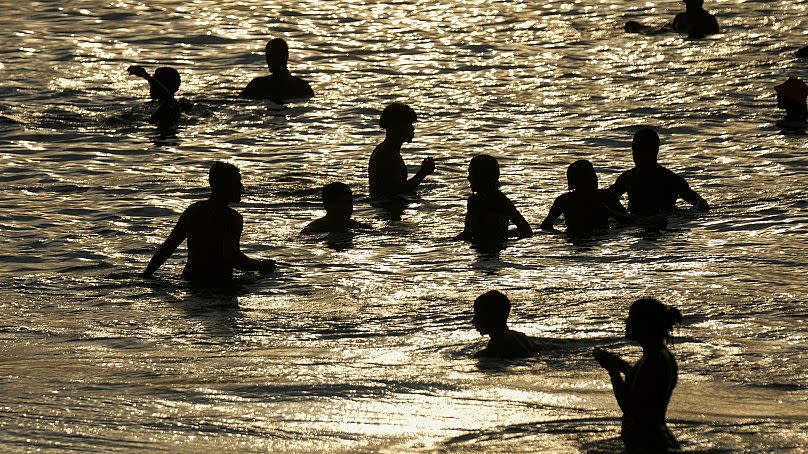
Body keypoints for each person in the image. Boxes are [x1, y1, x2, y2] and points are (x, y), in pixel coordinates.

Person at [142, 162, 276, 285]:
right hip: (218, 284)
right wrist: (261, 266)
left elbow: (167, 249)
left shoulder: (193, 211)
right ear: (223, 186)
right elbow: (232, 257)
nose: (242, 188)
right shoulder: (232, 218)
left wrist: (145, 276)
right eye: (237, 183)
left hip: (190, 281)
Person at [593, 298, 683, 452]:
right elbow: (643, 387)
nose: (626, 321)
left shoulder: (655, 359)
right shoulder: (654, 355)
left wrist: (613, 372)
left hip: (652, 445)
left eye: (631, 317)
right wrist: (622, 366)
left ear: (644, 324)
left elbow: (631, 408)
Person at [609, 128, 709, 216]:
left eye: (642, 150)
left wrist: (687, 214)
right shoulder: (628, 177)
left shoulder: (670, 179)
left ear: (654, 151)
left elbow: (701, 203)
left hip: (662, 221)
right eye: (635, 149)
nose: (636, 154)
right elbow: (607, 197)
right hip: (636, 222)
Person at [541, 160, 634, 236]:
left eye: (593, 175)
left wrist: (610, 212)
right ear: (575, 183)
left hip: (597, 236)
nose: (595, 178)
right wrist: (564, 235)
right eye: (589, 177)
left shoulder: (605, 196)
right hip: (577, 237)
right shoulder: (564, 200)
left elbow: (629, 220)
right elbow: (546, 226)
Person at [456, 154, 532, 246]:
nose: (468, 178)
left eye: (472, 174)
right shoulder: (474, 200)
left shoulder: (499, 200)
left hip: (492, 248)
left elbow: (526, 230)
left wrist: (501, 236)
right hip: (481, 250)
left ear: (482, 177)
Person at [367, 102, 435, 197]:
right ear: (395, 127)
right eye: (408, 124)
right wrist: (422, 173)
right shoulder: (387, 154)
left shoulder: (389, 151)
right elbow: (397, 190)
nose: (412, 129)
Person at [240, 38, 314, 102]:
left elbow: (240, 100)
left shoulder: (258, 85)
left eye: (271, 56)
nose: (269, 60)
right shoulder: (303, 87)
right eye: (268, 56)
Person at [472, 290, 538, 358]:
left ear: (491, 317)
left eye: (477, 315)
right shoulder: (520, 336)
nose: (473, 321)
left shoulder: (497, 344)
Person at [302, 182, 368, 234]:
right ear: (327, 205)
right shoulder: (314, 230)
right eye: (341, 203)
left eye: (349, 202)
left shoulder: (358, 227)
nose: (346, 207)